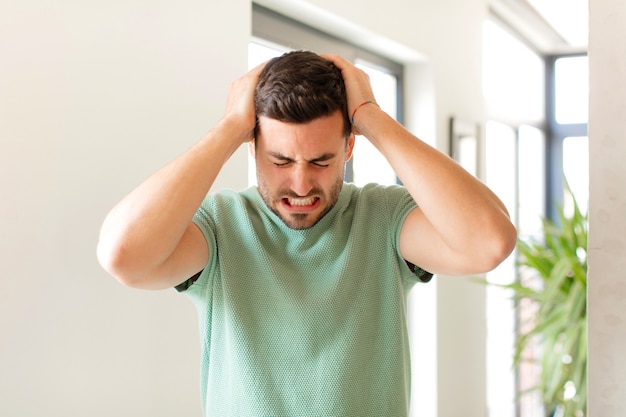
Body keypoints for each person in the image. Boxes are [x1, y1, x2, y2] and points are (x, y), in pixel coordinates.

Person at [97, 51, 517, 416]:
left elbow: (489, 243)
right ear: (252, 145)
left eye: (321, 161)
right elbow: (123, 256)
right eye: (280, 160)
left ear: (349, 148)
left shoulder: (383, 219)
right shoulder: (221, 226)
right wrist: (228, 127)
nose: (300, 185)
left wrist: (371, 117)